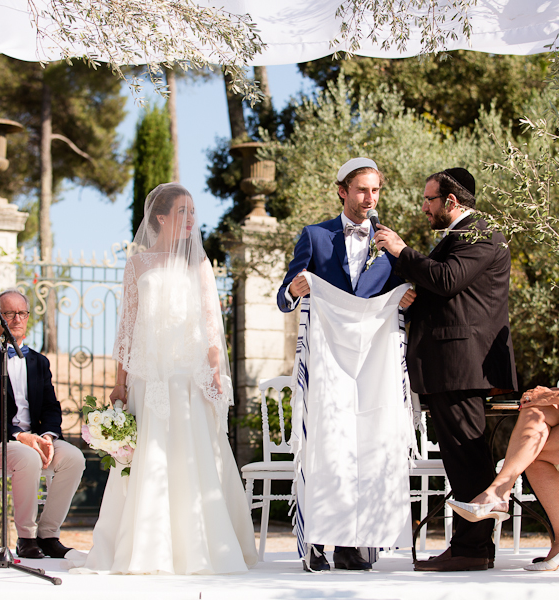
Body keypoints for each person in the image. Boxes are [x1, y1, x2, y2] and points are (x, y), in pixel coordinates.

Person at [70, 183, 257, 575]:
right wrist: (120, 381)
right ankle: (146, 547)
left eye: (193, 212)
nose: (190, 220)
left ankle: (199, 548)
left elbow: (210, 323)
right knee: (147, 459)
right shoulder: (137, 265)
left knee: (195, 458)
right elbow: (127, 325)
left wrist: (214, 371)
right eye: (182, 212)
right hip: (147, 376)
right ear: (161, 217)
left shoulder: (199, 265)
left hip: (188, 376)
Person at [374, 167, 517, 572]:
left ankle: (471, 549)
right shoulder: (458, 237)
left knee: (467, 456)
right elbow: (443, 289)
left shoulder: (479, 232)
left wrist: (401, 251)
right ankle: (472, 547)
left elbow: (448, 278)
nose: (423, 208)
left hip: (462, 363)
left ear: (450, 202)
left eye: (428, 200)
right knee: (461, 456)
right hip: (451, 365)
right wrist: (411, 298)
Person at [277, 157, 416, 572]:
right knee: (329, 445)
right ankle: (318, 539)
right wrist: (295, 289)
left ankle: (358, 544)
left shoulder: (390, 242)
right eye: (361, 190)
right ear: (342, 191)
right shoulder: (316, 237)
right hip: (329, 361)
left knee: (371, 444)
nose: (369, 199)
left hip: (374, 363)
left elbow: (405, 289)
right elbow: (284, 297)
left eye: (375, 191)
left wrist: (407, 297)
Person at [446, 280, 559, 572]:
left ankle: (509, 499)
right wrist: (546, 397)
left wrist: (553, 395)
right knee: (536, 408)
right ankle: (503, 494)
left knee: (535, 449)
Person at [0, 289, 86, 560]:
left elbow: (52, 408)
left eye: (22, 313)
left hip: (35, 440)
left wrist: (49, 437)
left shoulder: (40, 362)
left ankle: (48, 535)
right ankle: (26, 538)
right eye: (9, 313)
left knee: (74, 458)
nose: (16, 319)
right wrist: (20, 436)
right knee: (29, 456)